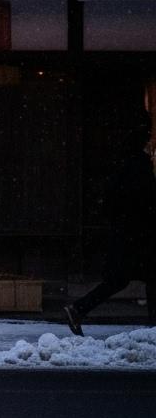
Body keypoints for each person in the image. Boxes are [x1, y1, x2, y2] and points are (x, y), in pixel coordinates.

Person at [64, 109, 156, 335]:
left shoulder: (121, 161)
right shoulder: (138, 164)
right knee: (146, 278)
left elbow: (112, 201)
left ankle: (79, 308)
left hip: (126, 232)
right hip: (140, 233)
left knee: (119, 279)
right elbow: (147, 199)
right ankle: (153, 329)